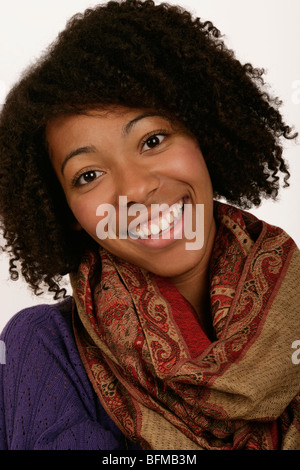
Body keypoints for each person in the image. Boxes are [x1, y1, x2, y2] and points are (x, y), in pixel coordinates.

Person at [0, 0, 299, 451]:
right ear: (68, 213)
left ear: (203, 133)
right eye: (88, 175)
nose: (135, 190)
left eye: (153, 140)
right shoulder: (42, 348)